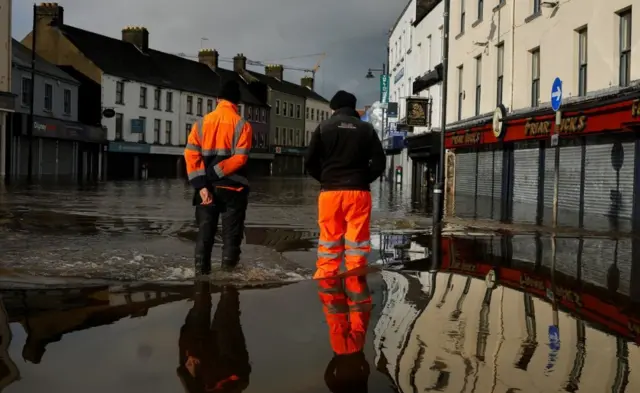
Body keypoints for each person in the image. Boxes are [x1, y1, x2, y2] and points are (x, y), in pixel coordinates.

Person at [304, 90, 386, 280]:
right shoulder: (366, 129)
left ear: (334, 108)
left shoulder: (324, 127)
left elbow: (309, 161)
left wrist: (325, 179)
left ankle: (327, 289)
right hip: (358, 192)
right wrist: (363, 180)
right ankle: (356, 287)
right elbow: (380, 162)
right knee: (356, 244)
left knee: (329, 242)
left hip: (330, 192)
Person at [184, 80, 253, 275]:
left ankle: (200, 278)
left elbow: (190, 155)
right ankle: (228, 283)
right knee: (232, 238)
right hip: (234, 189)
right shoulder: (243, 125)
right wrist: (216, 174)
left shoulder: (200, 124)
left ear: (217, 100)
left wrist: (202, 183)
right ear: (236, 102)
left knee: (204, 236)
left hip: (205, 189)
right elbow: (240, 158)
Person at [177, 282, 251, 393]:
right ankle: (227, 277)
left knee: (201, 302)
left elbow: (183, 370)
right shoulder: (235, 385)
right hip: (227, 359)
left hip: (198, 352)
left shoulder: (194, 387)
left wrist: (190, 365)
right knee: (227, 305)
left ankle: (203, 278)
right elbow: (242, 375)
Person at [319, 275, 371, 393]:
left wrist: (362, 359)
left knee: (359, 315)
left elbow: (366, 371)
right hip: (339, 350)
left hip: (356, 349)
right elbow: (328, 377)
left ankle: (355, 279)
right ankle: (330, 281)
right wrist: (335, 360)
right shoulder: (338, 391)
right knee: (335, 317)